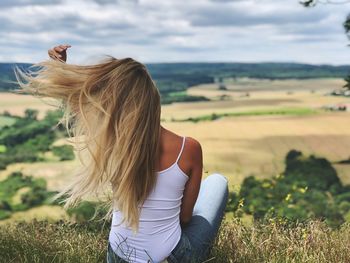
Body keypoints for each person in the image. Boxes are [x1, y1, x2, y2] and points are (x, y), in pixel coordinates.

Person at [16, 44, 229, 263]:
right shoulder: (188, 148)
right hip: (170, 257)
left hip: (117, 256)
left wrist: (59, 66)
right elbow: (185, 218)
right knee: (217, 182)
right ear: (152, 99)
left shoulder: (112, 145)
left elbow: (78, 105)